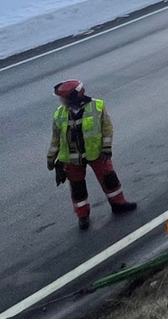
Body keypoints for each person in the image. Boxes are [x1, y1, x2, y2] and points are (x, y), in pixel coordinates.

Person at [47, 80, 136, 230]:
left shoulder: (97, 106)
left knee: (110, 180)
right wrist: (51, 159)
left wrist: (106, 148)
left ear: (73, 96)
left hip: (97, 153)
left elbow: (107, 128)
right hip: (72, 158)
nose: (61, 100)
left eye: (63, 97)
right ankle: (83, 216)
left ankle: (119, 204)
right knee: (77, 188)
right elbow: (56, 139)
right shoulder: (59, 113)